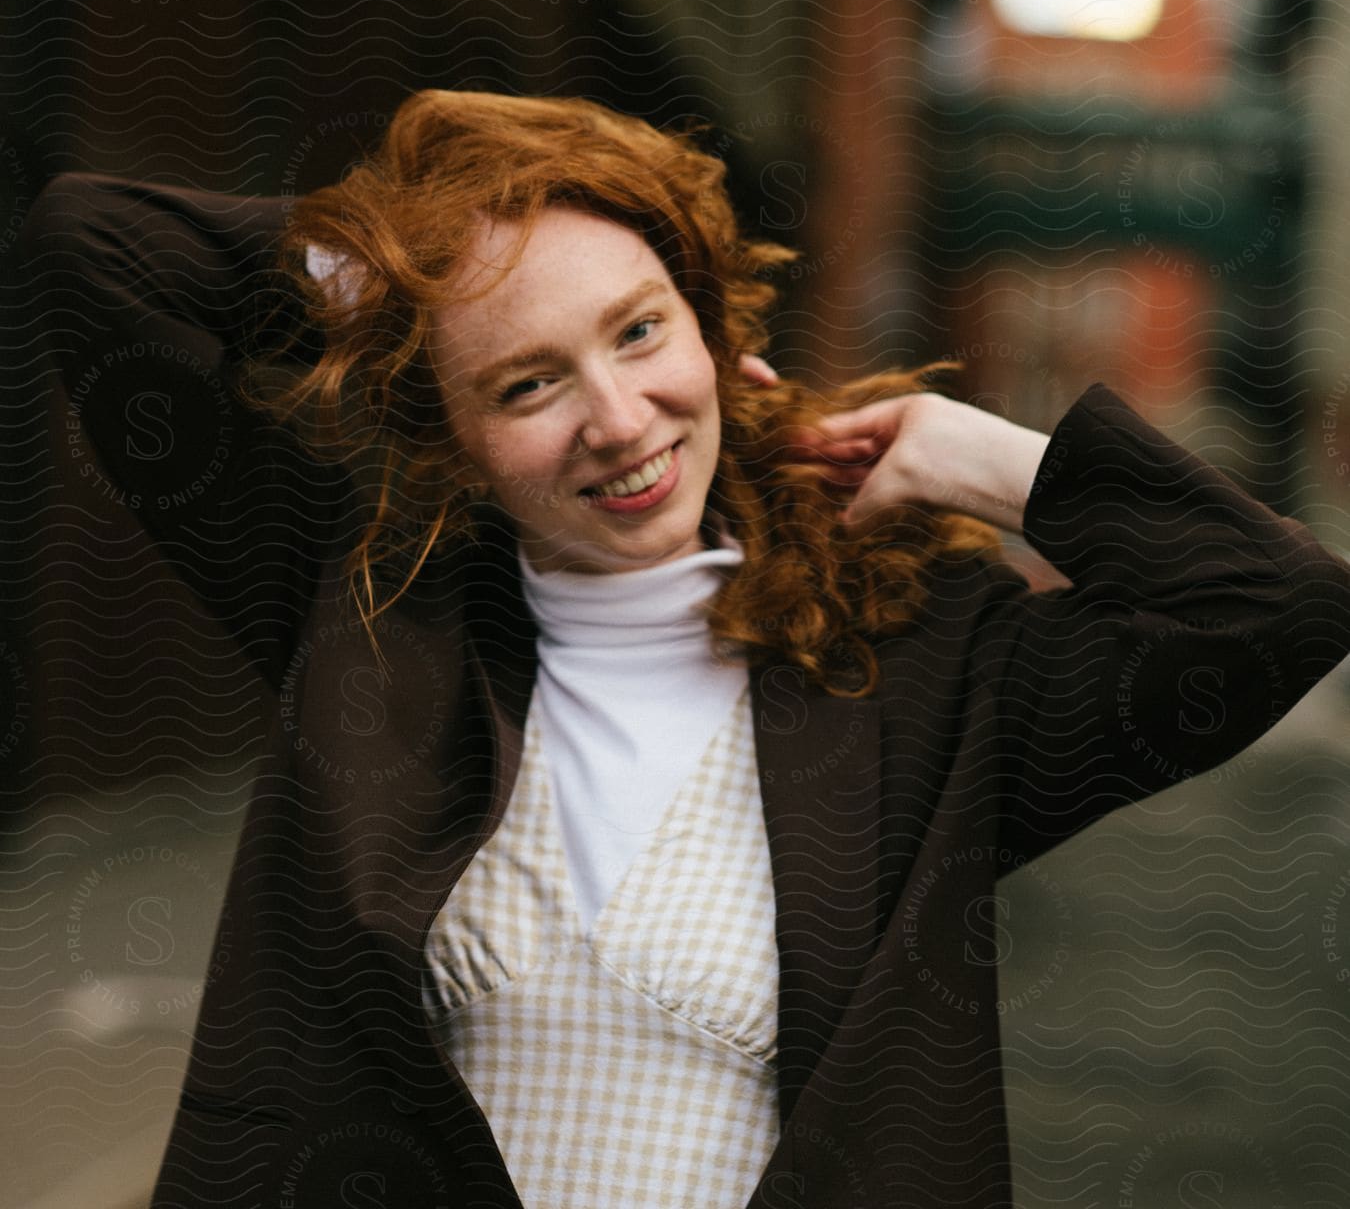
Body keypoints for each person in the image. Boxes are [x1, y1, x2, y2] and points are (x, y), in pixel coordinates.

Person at [18, 87, 1350, 1209]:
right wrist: (401, 270)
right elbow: (101, 248)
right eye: (525, 381)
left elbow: (1267, 606)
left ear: (712, 330)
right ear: (454, 439)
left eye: (639, 329)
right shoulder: (372, 621)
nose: (615, 416)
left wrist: (986, 458)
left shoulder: (921, 674)